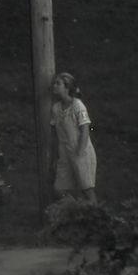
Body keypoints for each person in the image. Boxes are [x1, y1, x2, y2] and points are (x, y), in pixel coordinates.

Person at [49, 71, 99, 202]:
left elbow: (85, 129)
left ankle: (96, 216)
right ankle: (76, 211)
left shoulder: (78, 106)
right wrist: (55, 156)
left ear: (67, 87)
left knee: (86, 188)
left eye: (57, 83)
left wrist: (79, 153)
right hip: (64, 153)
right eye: (54, 83)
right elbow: (55, 133)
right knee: (59, 189)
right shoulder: (56, 108)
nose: (54, 86)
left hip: (80, 151)